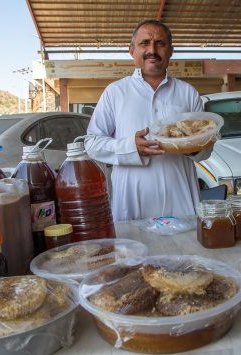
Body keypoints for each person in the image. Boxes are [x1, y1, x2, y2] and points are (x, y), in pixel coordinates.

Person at [86, 19, 214, 221]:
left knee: (184, 249)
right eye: (144, 43)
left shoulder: (187, 92)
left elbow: (206, 150)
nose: (152, 50)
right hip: (132, 201)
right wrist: (130, 147)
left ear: (170, 52)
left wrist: (193, 146)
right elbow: (92, 143)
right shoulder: (115, 92)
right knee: (134, 249)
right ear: (132, 51)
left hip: (180, 197)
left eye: (160, 44)